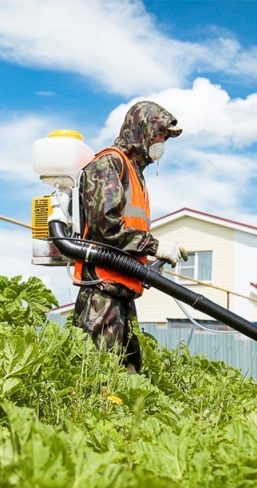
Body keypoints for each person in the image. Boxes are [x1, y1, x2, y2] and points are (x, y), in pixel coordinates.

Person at [72, 101, 183, 374]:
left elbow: (130, 231)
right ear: (141, 130)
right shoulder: (108, 164)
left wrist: (155, 254)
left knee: (129, 378)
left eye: (165, 138)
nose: (161, 143)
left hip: (123, 291)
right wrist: (156, 247)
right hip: (102, 292)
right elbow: (105, 227)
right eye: (159, 134)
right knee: (95, 377)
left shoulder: (136, 175)